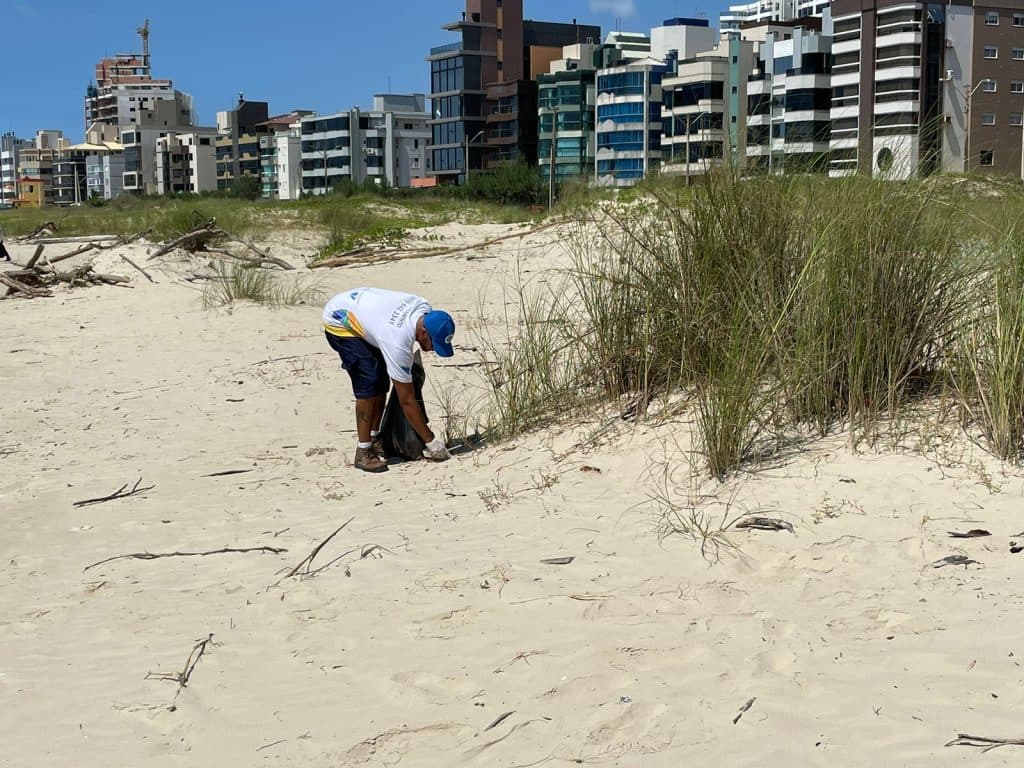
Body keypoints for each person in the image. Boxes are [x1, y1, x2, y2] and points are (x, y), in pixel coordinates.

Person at [323, 287, 455, 473]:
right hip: (340, 320)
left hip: (365, 310)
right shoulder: (397, 342)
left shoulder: (424, 308)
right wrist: (432, 443)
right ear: (423, 332)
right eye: (434, 344)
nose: (433, 349)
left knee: (381, 380)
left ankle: (376, 438)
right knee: (369, 383)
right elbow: (406, 401)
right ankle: (364, 450)